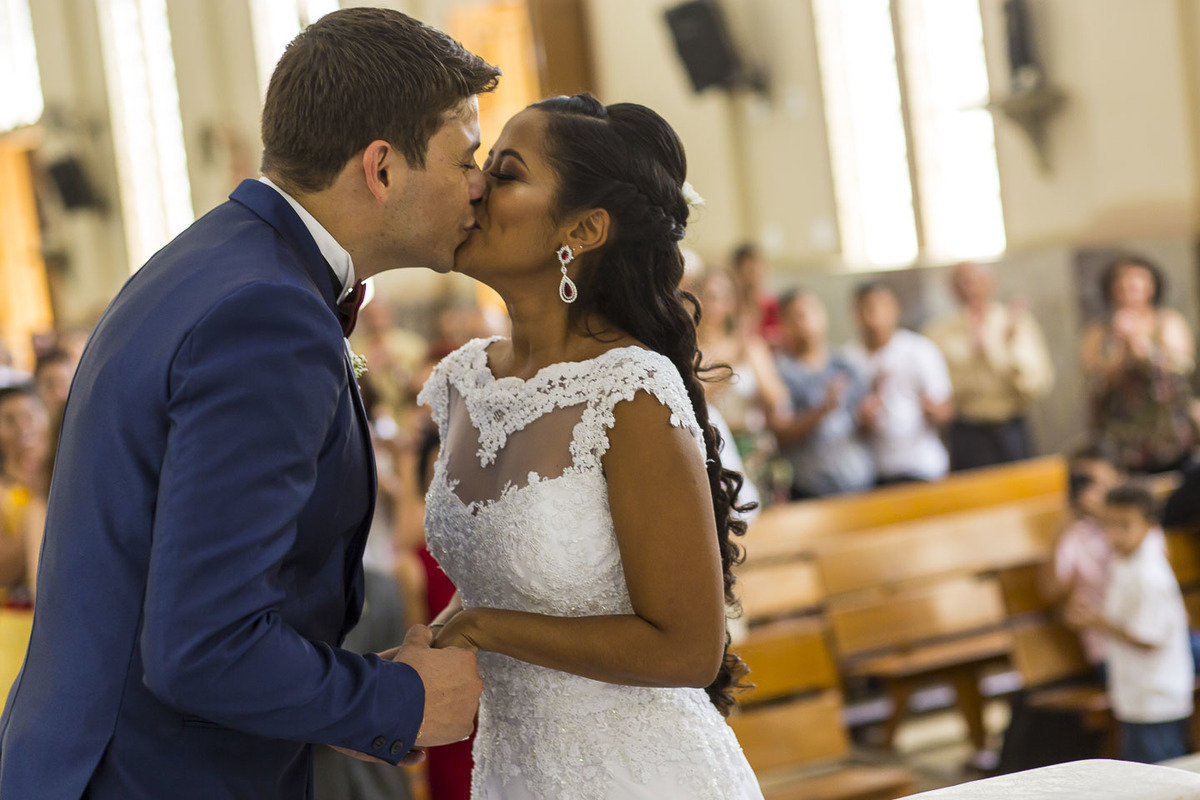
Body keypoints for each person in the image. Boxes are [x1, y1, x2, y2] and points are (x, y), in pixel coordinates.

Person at [0, 9, 493, 798]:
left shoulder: (214, 261)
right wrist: (396, 702)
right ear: (382, 167)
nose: (479, 184)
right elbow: (203, 642)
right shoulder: (270, 313)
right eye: (465, 157)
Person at [418, 94, 763, 798]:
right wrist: (425, 654)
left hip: (639, 773)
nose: (477, 185)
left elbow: (690, 648)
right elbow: (508, 573)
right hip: (515, 770)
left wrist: (485, 628)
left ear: (583, 228)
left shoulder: (628, 389)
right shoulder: (464, 381)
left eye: (506, 173)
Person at [1067, 484, 1194, 764]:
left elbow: (1149, 638)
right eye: (1109, 525)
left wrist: (1097, 622)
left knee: (1161, 776)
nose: (1115, 535)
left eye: (1125, 526)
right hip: (1136, 693)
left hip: (1157, 697)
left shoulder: (1148, 574)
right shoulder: (1125, 562)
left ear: (1149, 526)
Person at [925, 262, 1054, 470]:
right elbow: (940, 393)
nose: (972, 288)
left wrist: (1006, 348)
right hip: (968, 431)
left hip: (1011, 426)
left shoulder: (1016, 322)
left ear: (991, 282)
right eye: (964, 282)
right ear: (953, 289)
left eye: (977, 280)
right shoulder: (938, 333)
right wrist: (973, 359)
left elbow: (1037, 383)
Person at [1081, 254, 1197, 473]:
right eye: (1122, 285)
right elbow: (1094, 385)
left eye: (1136, 283)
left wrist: (1140, 345)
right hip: (1122, 440)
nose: (1129, 291)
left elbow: (1180, 373)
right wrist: (1120, 350)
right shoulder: (1098, 333)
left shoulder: (1167, 323)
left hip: (1169, 435)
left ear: (1151, 287)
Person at [845, 282, 954, 484]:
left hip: (921, 465)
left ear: (895, 308)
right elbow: (845, 425)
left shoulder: (920, 350)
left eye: (881, 307)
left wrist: (934, 411)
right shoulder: (848, 360)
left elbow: (944, 408)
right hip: (872, 471)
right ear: (855, 314)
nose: (874, 316)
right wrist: (864, 419)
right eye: (867, 308)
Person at [771, 289, 875, 498]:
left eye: (812, 311)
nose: (806, 320)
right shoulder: (779, 372)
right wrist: (822, 410)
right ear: (785, 324)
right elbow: (780, 434)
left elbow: (863, 426)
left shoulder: (845, 364)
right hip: (810, 488)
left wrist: (869, 417)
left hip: (860, 482)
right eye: (797, 315)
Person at [1048, 446, 1123, 671]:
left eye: (1097, 482)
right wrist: (1064, 524)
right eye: (1082, 482)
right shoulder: (1074, 535)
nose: (1090, 491)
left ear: (1118, 479)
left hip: (1153, 637)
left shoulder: (1136, 523)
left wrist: (1107, 519)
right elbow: (1051, 591)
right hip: (1111, 651)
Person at [731, 242, 781, 346]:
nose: (754, 278)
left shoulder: (774, 307)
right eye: (749, 271)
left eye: (757, 270)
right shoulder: (731, 308)